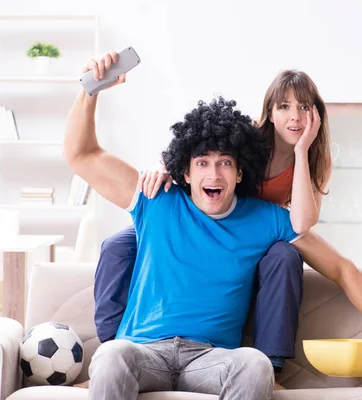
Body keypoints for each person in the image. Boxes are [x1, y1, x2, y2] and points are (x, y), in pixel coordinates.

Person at [92, 67, 362, 387]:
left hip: (251, 237)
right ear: (269, 113)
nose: (294, 116)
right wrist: (164, 165)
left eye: (304, 107)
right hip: (205, 224)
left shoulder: (313, 162)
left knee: (284, 255)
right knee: (117, 245)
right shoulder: (247, 139)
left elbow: (305, 226)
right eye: (284, 106)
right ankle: (115, 354)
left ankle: (270, 365)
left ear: (317, 115)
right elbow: (200, 152)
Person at [64, 50, 308, 399]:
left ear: (240, 173)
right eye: (203, 163)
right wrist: (90, 91)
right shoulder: (156, 199)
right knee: (111, 354)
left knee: (255, 364)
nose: (214, 173)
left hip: (210, 358)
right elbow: (81, 155)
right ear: (185, 171)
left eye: (225, 163)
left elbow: (309, 228)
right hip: (144, 351)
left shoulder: (264, 218)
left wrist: (302, 150)